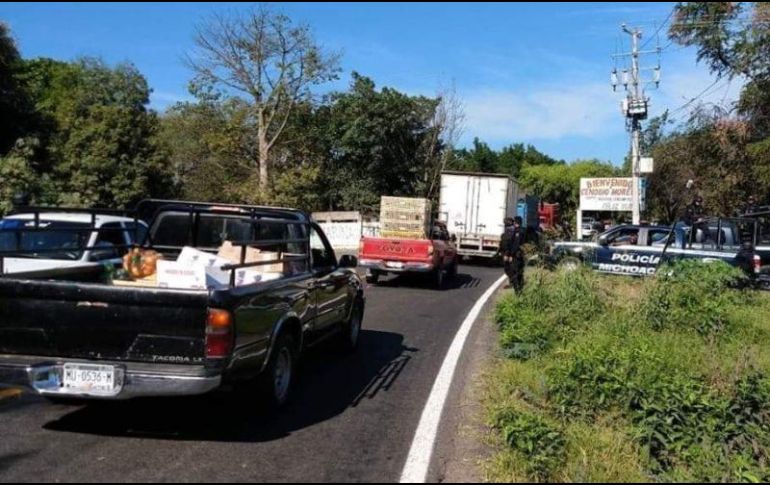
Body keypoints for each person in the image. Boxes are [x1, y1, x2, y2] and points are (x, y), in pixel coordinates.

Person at [501, 216, 525, 292]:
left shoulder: (518, 232)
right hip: (519, 255)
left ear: (516, 222)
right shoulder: (520, 230)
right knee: (518, 273)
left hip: (516, 255)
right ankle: (518, 288)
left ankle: (517, 290)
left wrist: (510, 254)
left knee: (514, 272)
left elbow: (515, 245)